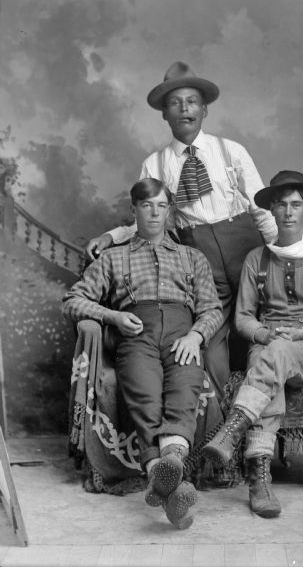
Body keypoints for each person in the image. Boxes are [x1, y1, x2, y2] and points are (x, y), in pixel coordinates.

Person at [86, 62, 278, 403]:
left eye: (192, 101)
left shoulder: (230, 151)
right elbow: (151, 217)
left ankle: (261, 426)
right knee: (210, 343)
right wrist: (112, 237)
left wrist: (278, 253)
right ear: (164, 114)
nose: (185, 108)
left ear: (204, 110)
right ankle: (226, 427)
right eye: (175, 102)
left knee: (261, 332)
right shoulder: (155, 164)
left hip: (248, 252)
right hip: (201, 260)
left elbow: (261, 207)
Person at [62, 178, 222, 530]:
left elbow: (212, 309)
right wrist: (113, 316)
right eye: (146, 205)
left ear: (169, 211)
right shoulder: (114, 258)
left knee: (185, 384)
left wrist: (196, 336)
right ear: (133, 210)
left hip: (182, 334)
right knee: (145, 393)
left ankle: (165, 472)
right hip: (136, 335)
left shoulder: (192, 257)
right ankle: (168, 478)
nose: (154, 213)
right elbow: (73, 300)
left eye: (161, 206)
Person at [202, 170, 303, 519]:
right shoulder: (258, 258)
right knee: (270, 359)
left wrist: (301, 334)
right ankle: (260, 480)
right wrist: (266, 334)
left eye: (296, 205)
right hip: (268, 343)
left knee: (277, 355)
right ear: (271, 210)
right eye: (282, 205)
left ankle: (233, 429)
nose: (288, 212)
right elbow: (242, 317)